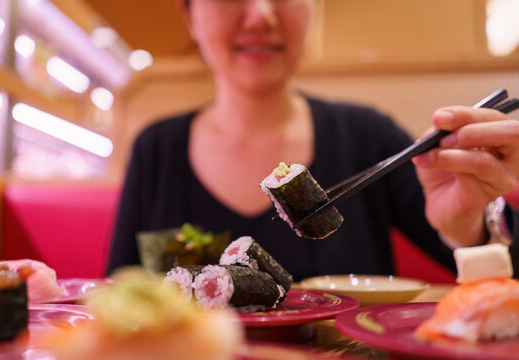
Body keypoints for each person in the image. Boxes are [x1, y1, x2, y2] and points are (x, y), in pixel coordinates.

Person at [107, 0, 519, 280]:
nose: (261, 14)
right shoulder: (156, 150)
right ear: (188, 14)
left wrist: (469, 226)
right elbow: (119, 299)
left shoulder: (367, 136)